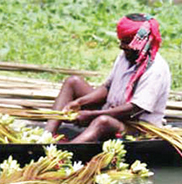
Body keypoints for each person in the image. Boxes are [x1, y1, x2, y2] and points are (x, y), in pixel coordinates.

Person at [44, 13, 171, 143]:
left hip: (136, 126)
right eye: (121, 41)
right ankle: (46, 136)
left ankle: (66, 150)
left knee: (102, 122)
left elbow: (134, 109)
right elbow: (107, 87)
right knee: (73, 82)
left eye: (126, 43)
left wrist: (91, 115)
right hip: (111, 109)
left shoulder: (156, 69)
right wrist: (80, 102)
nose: (121, 46)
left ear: (143, 44)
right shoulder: (126, 56)